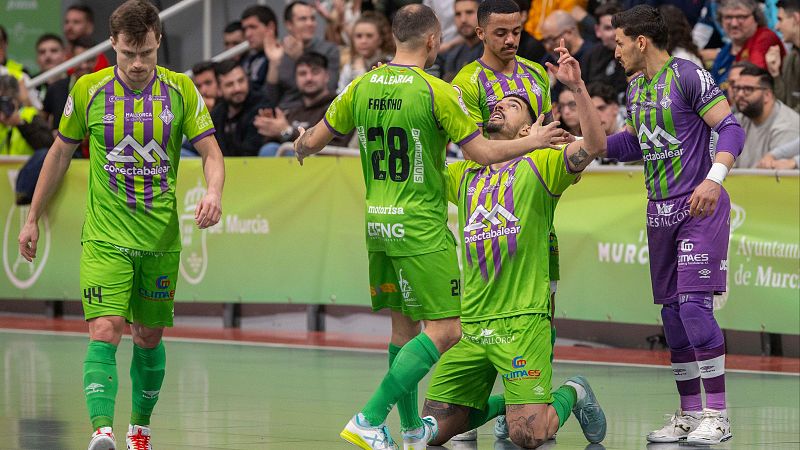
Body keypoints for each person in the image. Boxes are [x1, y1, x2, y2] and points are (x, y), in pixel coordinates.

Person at [293, 5, 570, 448]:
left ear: (392, 38)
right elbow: (480, 153)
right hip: (420, 225)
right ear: (432, 42)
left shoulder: (360, 85)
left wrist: (299, 143)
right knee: (447, 330)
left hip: (378, 226)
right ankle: (369, 417)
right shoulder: (438, 91)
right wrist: (533, 140)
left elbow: (313, 140)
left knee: (402, 333)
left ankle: (407, 432)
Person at [17, 2, 225, 450]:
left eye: (146, 53)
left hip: (160, 239)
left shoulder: (181, 90)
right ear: (113, 43)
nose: (136, 64)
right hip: (105, 238)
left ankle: (139, 430)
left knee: (148, 336)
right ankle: (101, 432)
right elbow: (57, 155)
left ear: (158, 43)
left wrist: (212, 192)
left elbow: (211, 152)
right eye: (128, 52)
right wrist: (32, 217)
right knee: (106, 328)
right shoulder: (88, 89)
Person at [423, 45, 608, 450]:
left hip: (522, 319)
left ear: (530, 129)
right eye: (497, 102)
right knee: (431, 431)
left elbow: (594, 145)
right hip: (471, 322)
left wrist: (577, 87)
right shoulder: (463, 172)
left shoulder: (542, 164)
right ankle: (513, 403)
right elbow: (422, 158)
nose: (499, 106)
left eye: (513, 105)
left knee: (530, 436)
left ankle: (572, 392)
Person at [606, 5, 744, 445]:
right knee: (672, 316)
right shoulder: (636, 89)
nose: (615, 50)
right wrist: (583, 143)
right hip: (658, 211)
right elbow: (633, 142)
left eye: (619, 41)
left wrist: (713, 179)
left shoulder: (688, 74)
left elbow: (730, 128)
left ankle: (718, 416)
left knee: (692, 306)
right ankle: (688, 415)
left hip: (699, 207)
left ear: (640, 41)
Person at [452, 0, 553, 130]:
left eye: (516, 32)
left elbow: (551, 134)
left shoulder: (536, 71)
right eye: (501, 34)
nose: (511, 40)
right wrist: (532, 143)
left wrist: (576, 86)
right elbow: (474, 149)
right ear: (480, 33)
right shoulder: (467, 82)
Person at [255, 52, 352, 155]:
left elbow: (336, 149)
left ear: (327, 76)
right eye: (302, 73)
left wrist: (286, 132)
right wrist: (271, 129)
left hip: (324, 168)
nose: (309, 78)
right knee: (269, 149)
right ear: (295, 78)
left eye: (315, 72)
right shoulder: (292, 111)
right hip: (290, 168)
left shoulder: (339, 107)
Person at [264, 1, 341, 109]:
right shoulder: (279, 52)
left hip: (317, 113)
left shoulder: (329, 50)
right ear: (289, 25)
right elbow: (270, 99)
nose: (310, 23)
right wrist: (274, 63)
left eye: (312, 18)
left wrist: (299, 58)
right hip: (284, 112)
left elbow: (329, 89)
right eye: (303, 19)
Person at [732, 65, 800, 168]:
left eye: (748, 89)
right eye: (737, 88)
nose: (740, 94)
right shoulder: (740, 119)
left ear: (767, 95)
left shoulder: (787, 126)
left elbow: (774, 179)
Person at [709, 0, 784, 84]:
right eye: (728, 17)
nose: (734, 24)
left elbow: (750, 81)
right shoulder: (723, 53)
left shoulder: (765, 37)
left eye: (741, 17)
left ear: (756, 18)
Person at [211, 59, 271, 157]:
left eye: (241, 81)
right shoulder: (218, 113)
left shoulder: (261, 107)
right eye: (229, 84)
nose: (237, 88)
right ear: (219, 90)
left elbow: (249, 152)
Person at [42, 36, 97, 133]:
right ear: (72, 58)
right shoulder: (55, 88)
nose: (84, 65)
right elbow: (43, 123)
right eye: (80, 60)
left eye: (90, 60)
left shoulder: (107, 89)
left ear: (96, 60)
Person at [577, 2, 627, 97]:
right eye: (608, 28)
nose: (614, 34)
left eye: (617, 27)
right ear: (598, 31)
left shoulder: (636, 53)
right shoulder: (590, 56)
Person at [338, 12, 394, 93]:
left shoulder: (391, 64)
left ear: (381, 39)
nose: (363, 41)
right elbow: (340, 95)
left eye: (369, 36)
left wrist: (360, 73)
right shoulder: (349, 67)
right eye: (359, 36)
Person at [0, 75, 52, 156]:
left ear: (15, 99)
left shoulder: (30, 115)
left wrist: (20, 123)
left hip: (27, 167)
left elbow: (47, 145)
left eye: (4, 101)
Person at [765, 0, 800, 112]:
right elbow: (783, 104)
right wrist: (775, 74)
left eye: (780, 19)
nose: (777, 27)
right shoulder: (790, 58)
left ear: (795, 18)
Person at [240, 5, 279, 93]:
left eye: (253, 27)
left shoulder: (284, 56)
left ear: (270, 27)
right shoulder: (246, 59)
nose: (247, 34)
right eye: (245, 29)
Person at [442, 0, 483, 82]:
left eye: (469, 12)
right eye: (458, 14)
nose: (463, 20)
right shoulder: (452, 55)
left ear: (482, 15)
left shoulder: (492, 51)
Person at [63, 3, 110, 72]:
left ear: (89, 27)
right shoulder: (58, 55)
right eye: (67, 22)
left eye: (76, 22)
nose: (69, 27)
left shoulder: (99, 60)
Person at [34, 34, 67, 103]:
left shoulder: (73, 83)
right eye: (42, 52)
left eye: (54, 51)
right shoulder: (30, 85)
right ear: (37, 58)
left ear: (64, 55)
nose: (48, 56)